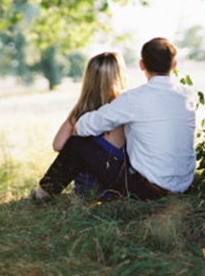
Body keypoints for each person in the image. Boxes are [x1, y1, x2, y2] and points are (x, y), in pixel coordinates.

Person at [31, 37, 196, 201]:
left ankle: (42, 194)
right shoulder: (186, 95)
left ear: (141, 65)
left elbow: (83, 127)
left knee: (77, 145)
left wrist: (81, 113)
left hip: (148, 191)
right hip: (183, 188)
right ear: (174, 65)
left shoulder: (133, 99)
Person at [52, 51, 127, 197]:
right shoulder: (123, 111)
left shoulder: (80, 112)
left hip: (84, 190)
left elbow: (58, 145)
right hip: (116, 188)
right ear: (120, 76)